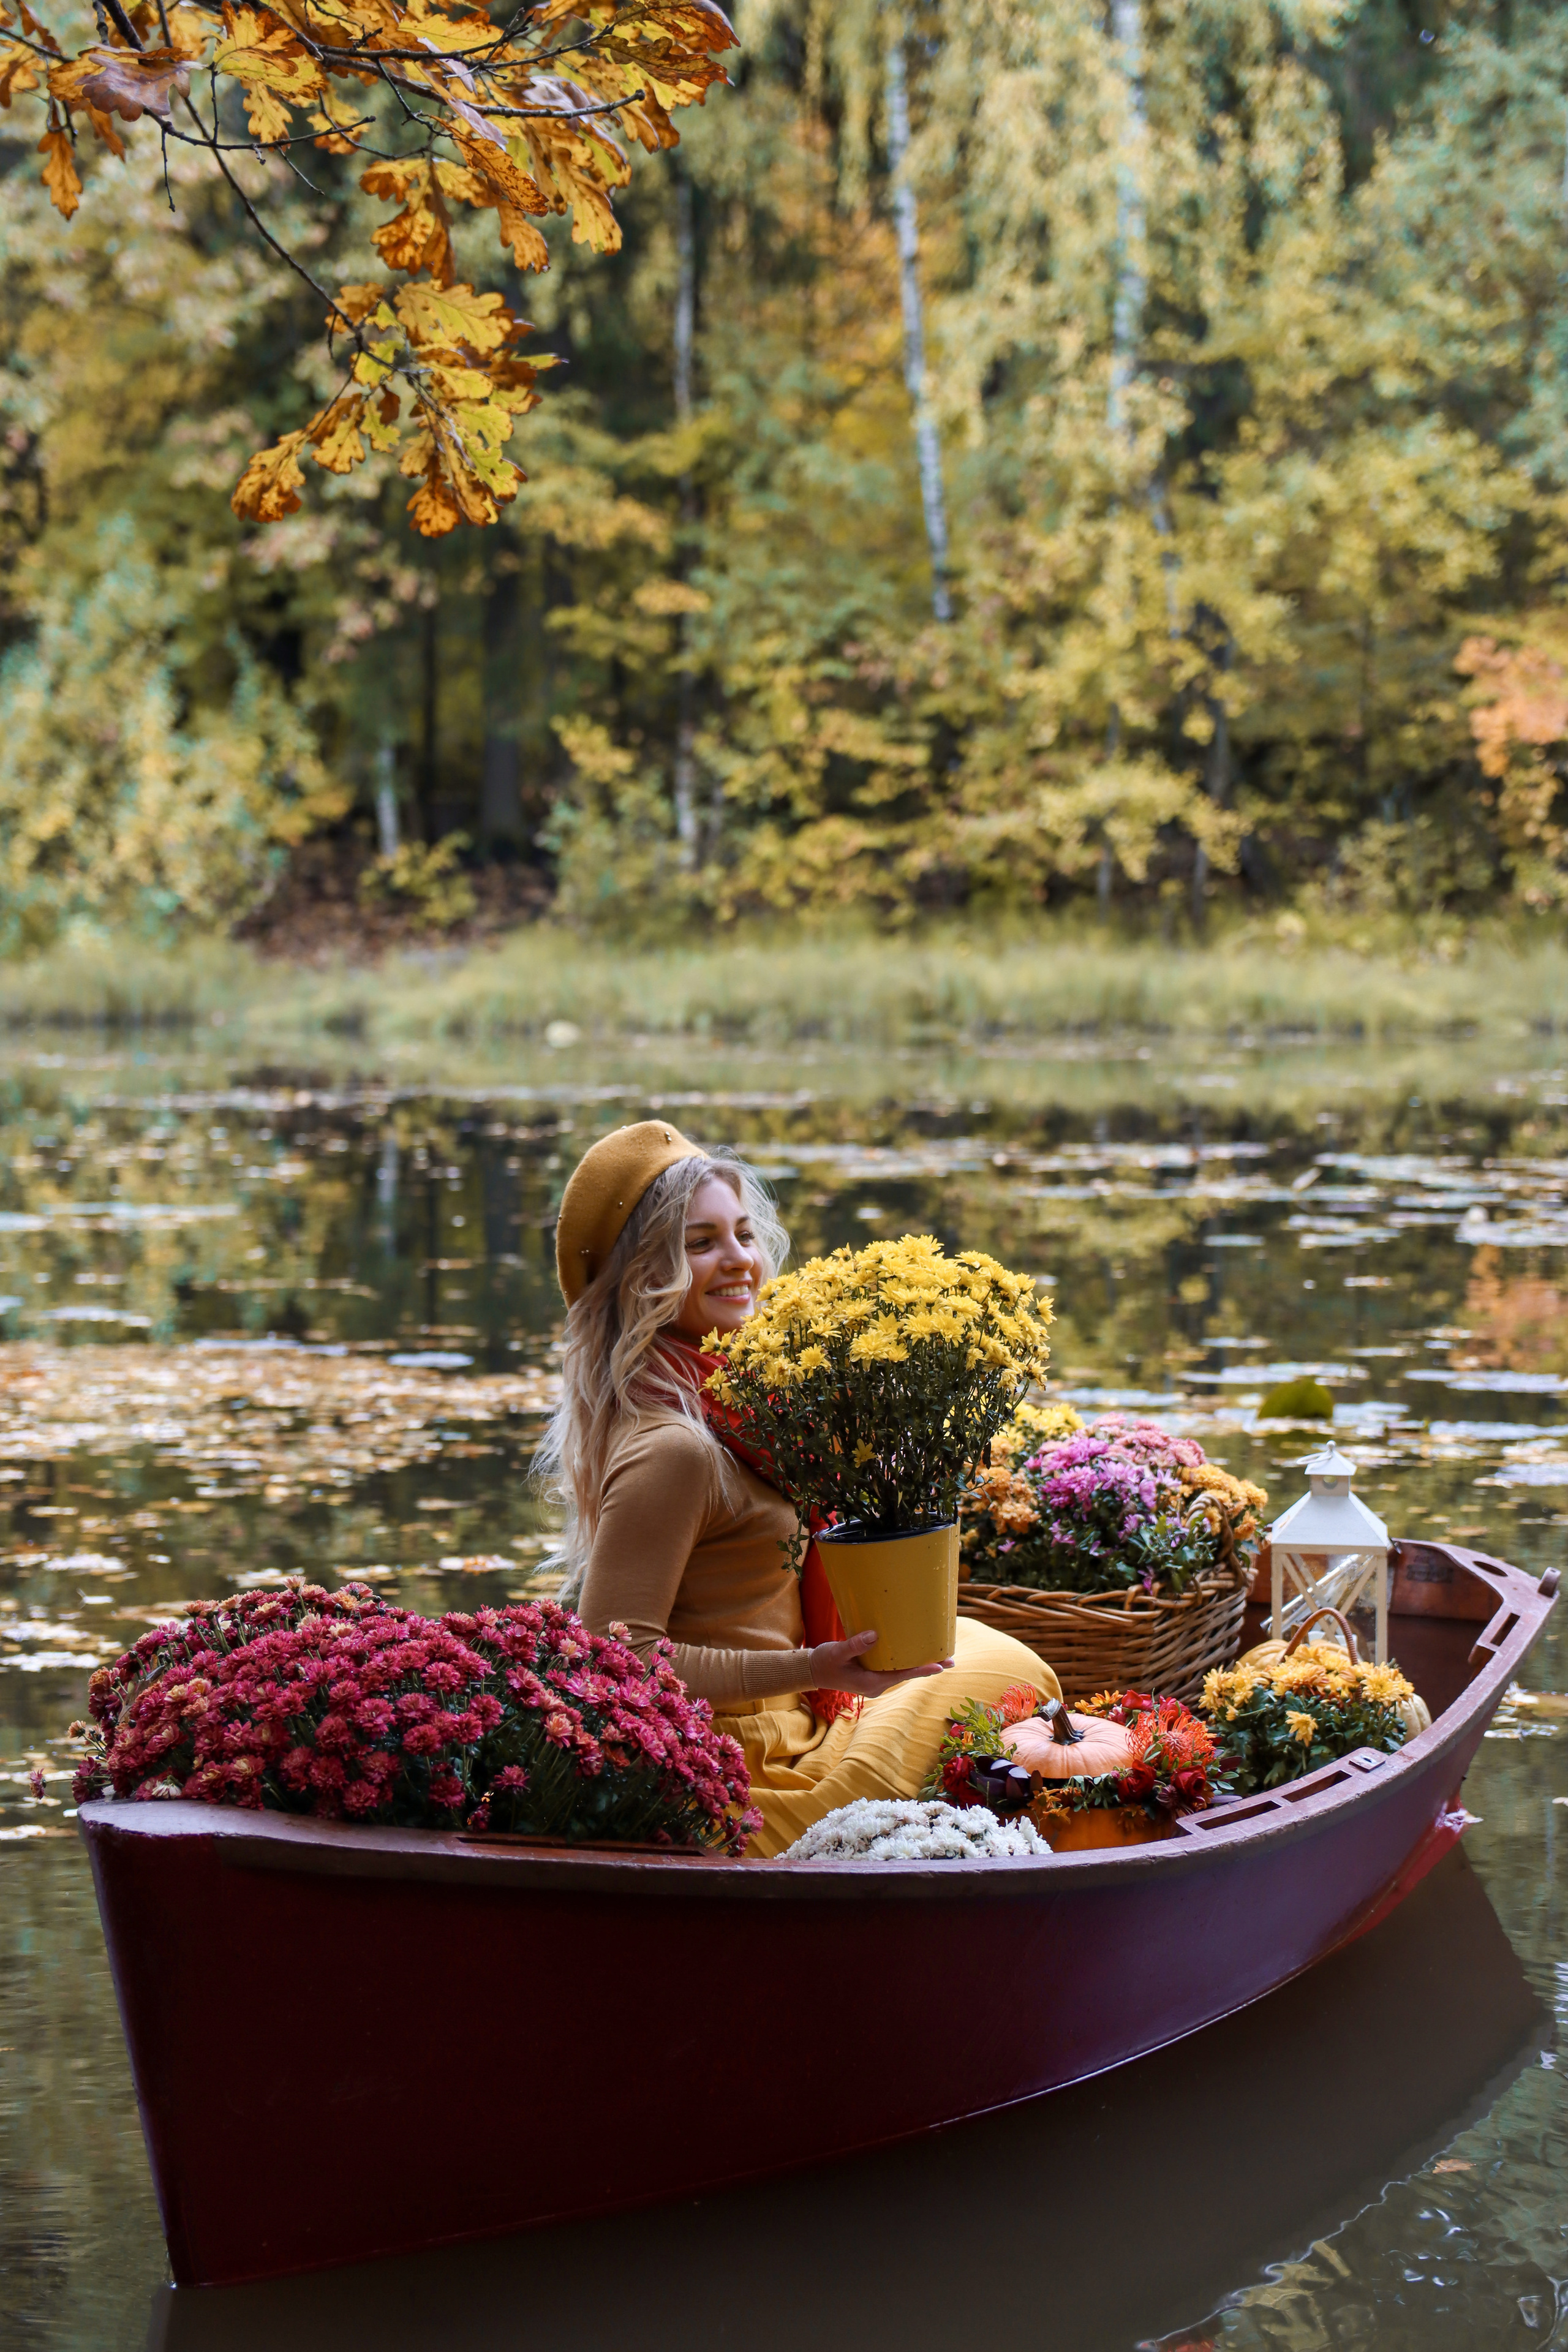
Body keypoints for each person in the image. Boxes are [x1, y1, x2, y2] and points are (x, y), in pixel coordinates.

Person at [539, 1119, 1061, 1857]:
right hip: (747, 1773)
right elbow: (612, 1659)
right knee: (1018, 1672)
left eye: (744, 1235)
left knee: (973, 1648)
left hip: (793, 1716)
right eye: (700, 1243)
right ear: (642, 1275)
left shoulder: (731, 1404)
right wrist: (811, 1668)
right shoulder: (675, 1446)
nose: (739, 1261)